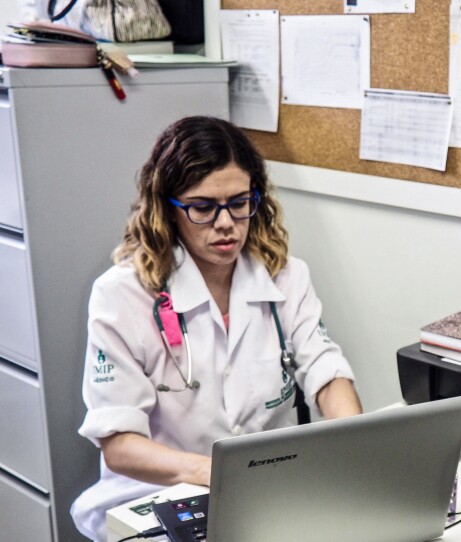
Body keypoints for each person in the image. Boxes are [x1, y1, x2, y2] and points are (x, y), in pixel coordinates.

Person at [70, 116, 363, 541]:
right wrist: (217, 473)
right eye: (203, 207)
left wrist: (356, 439)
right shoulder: (122, 296)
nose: (226, 223)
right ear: (166, 209)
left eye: (239, 203)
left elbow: (326, 371)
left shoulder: (285, 277)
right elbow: (118, 444)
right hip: (161, 495)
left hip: (266, 491)